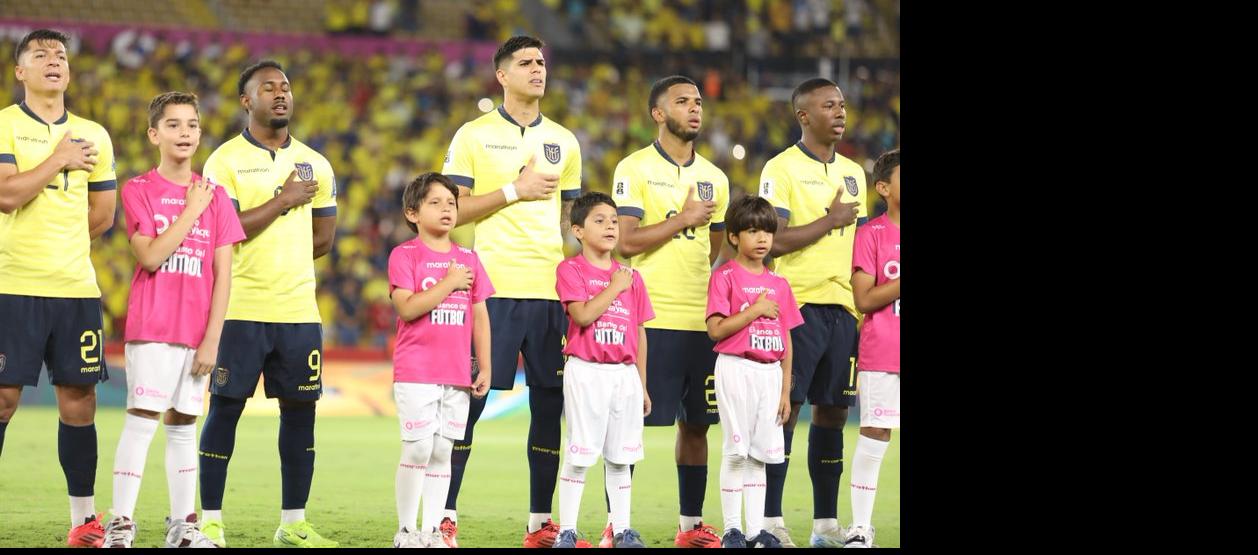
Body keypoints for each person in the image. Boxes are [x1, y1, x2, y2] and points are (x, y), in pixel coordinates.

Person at [439, 35, 582, 548]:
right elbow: (453, 211)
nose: (537, 69)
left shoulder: (565, 142)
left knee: (549, 407)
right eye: (525, 63)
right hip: (491, 291)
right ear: (502, 75)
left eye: (542, 61)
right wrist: (513, 191)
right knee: (468, 406)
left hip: (548, 292)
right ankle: (443, 515)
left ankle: (540, 524)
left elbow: (571, 220)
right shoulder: (473, 135)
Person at [197, 59, 339, 548]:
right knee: (225, 409)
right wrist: (282, 201)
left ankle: (293, 523)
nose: (280, 94)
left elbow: (322, 237)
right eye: (268, 88)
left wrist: (287, 214)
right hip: (239, 308)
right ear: (246, 101)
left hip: (299, 311)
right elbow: (226, 230)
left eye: (285, 87)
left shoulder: (316, 163)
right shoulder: (224, 161)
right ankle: (211, 519)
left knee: (301, 415)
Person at [101, 91, 243, 548]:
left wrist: (213, 340)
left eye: (192, 125)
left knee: (184, 426)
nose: (185, 133)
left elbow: (224, 274)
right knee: (142, 420)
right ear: (154, 134)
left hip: (197, 332)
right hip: (155, 327)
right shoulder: (140, 189)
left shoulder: (218, 197)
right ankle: (120, 524)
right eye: (175, 124)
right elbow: (151, 256)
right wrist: (191, 211)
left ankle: (184, 526)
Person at [0, 28, 118, 548]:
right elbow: (6, 195)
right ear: (20, 71)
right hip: (12, 285)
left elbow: (103, 214)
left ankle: (84, 521)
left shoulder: (96, 134)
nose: (54, 61)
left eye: (61, 55)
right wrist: (58, 159)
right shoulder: (4, 125)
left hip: (75, 288)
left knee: (79, 398)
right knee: (3, 398)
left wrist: (62, 245)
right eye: (40, 55)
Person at [610, 75, 730, 549]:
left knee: (697, 425)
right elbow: (625, 242)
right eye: (682, 102)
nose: (694, 109)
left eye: (698, 101)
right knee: (631, 426)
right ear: (658, 113)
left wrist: (691, 228)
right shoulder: (634, 167)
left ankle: (689, 526)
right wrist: (681, 219)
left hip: (699, 323)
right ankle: (618, 525)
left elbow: (713, 248)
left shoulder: (716, 178)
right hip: (649, 321)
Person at [757, 77, 868, 548]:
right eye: (829, 105)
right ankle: (771, 521)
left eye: (842, 104)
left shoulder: (855, 173)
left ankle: (826, 525)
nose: (840, 112)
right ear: (804, 115)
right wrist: (830, 220)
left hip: (844, 310)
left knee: (833, 414)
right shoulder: (780, 169)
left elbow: (859, 244)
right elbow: (773, 240)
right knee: (786, 410)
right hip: (797, 306)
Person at [387, 172, 493, 548]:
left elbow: (479, 314)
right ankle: (405, 530)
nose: (447, 209)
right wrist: (449, 283)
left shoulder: (469, 259)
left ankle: (431, 531)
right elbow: (408, 307)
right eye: (435, 202)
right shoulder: (405, 255)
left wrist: (485, 365)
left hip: (456, 371)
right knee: (417, 447)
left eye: (451, 202)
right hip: (416, 368)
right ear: (412, 213)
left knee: (443, 450)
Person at [552, 192, 653, 549]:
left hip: (624, 374)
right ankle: (567, 531)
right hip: (586, 370)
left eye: (613, 219)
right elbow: (580, 315)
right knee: (580, 454)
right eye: (600, 220)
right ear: (577, 230)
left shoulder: (632, 277)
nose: (610, 225)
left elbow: (639, 331)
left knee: (621, 457)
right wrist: (614, 287)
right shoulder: (571, 269)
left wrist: (641, 384)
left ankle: (622, 530)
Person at [705, 196, 801, 549]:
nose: (762, 239)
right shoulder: (725, 276)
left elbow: (787, 337)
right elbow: (716, 330)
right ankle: (732, 529)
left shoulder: (780, 283)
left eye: (767, 232)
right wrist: (755, 310)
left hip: (770, 373)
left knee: (761, 455)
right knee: (736, 451)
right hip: (735, 368)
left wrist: (785, 390)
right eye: (752, 231)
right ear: (733, 237)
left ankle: (755, 531)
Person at [844, 148, 899, 549]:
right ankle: (860, 528)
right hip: (884, 349)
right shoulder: (871, 234)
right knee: (875, 433)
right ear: (883, 187)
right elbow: (864, 299)